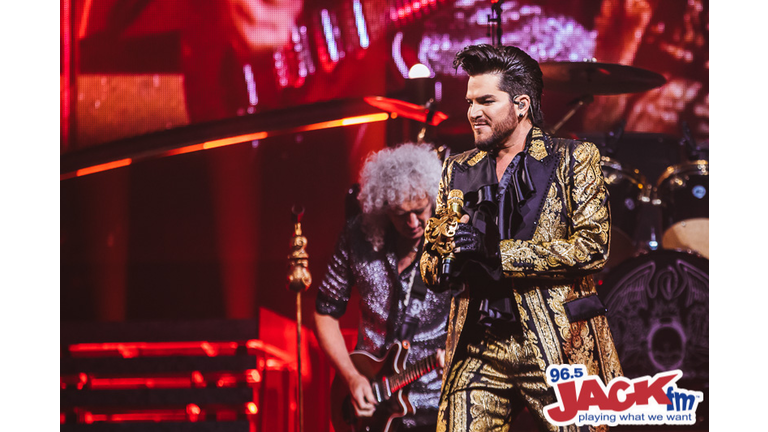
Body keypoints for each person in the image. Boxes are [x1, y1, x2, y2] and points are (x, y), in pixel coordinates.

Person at [419, 44, 623, 432]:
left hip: (557, 345)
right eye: (469, 101)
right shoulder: (457, 168)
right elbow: (431, 259)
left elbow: (592, 247)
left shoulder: (574, 158)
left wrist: (497, 254)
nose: (473, 112)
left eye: (486, 101)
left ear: (522, 104)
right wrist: (444, 264)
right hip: (479, 345)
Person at [314, 143, 453, 432]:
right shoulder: (357, 237)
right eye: (401, 214)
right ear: (383, 207)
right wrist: (351, 378)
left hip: (435, 405)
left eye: (420, 210)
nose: (413, 223)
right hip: (366, 404)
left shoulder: (453, 245)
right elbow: (325, 313)